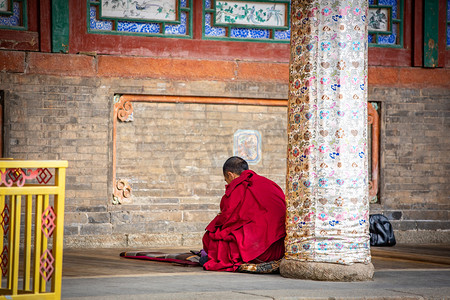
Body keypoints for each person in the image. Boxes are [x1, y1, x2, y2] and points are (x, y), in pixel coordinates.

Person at [201, 156, 286, 271]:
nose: (228, 183)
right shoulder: (270, 184)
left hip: (260, 253)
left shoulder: (237, 188)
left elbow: (226, 218)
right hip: (281, 247)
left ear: (230, 175)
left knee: (210, 238)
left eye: (226, 180)